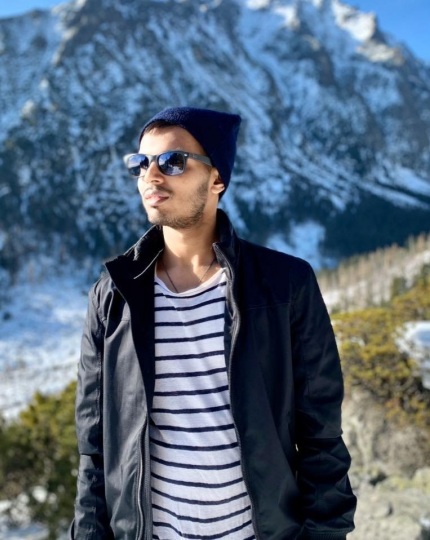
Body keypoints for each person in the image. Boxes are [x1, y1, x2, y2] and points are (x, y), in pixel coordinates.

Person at [71, 106, 357, 540]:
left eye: (172, 161)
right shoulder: (113, 294)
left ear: (217, 178)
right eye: (141, 163)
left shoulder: (285, 286)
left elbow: (322, 438)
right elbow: (94, 449)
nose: (151, 176)